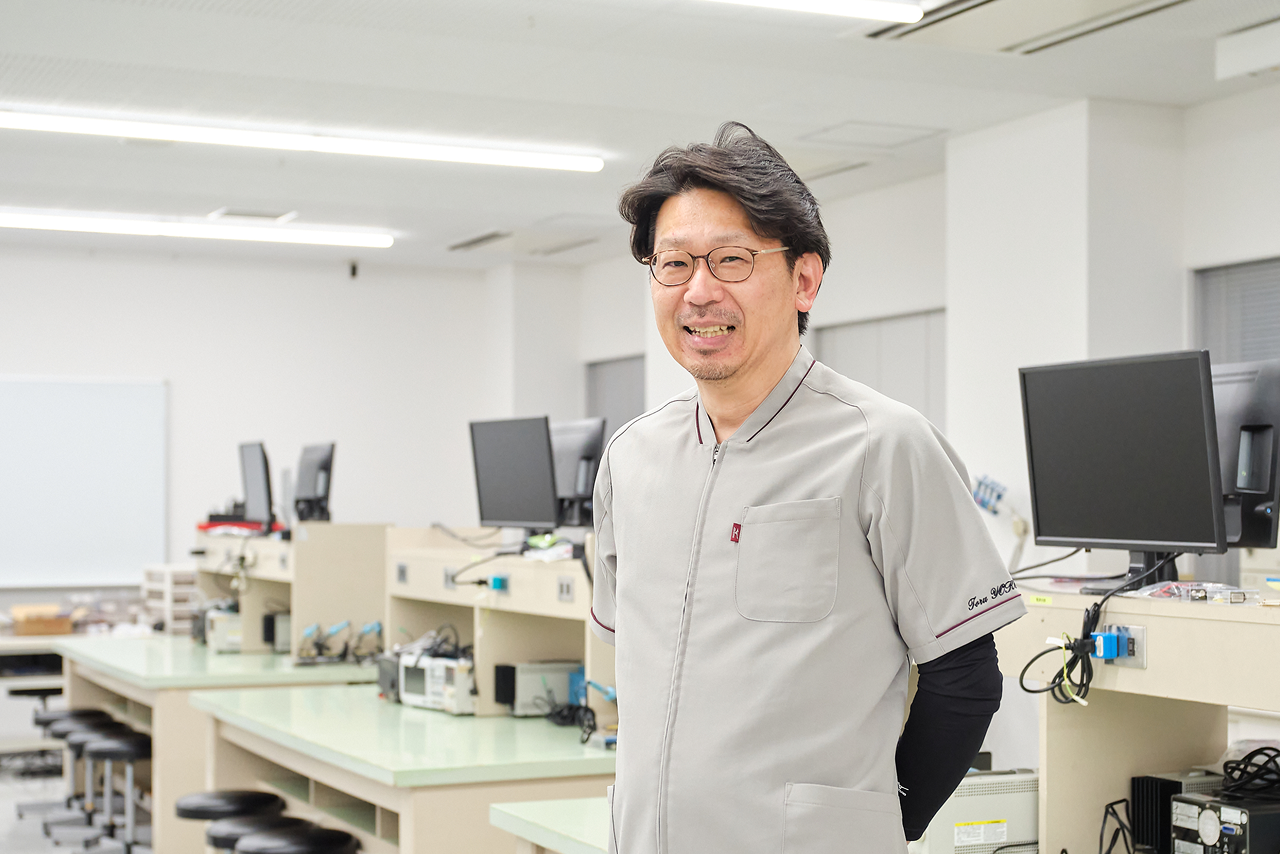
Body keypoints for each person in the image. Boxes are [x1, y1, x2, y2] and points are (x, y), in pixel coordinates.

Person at [589, 122, 1026, 854]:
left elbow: (965, 680)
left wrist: (880, 825)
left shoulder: (881, 444)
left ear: (804, 280)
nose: (699, 291)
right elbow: (621, 662)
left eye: (731, 260)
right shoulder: (631, 458)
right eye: (674, 264)